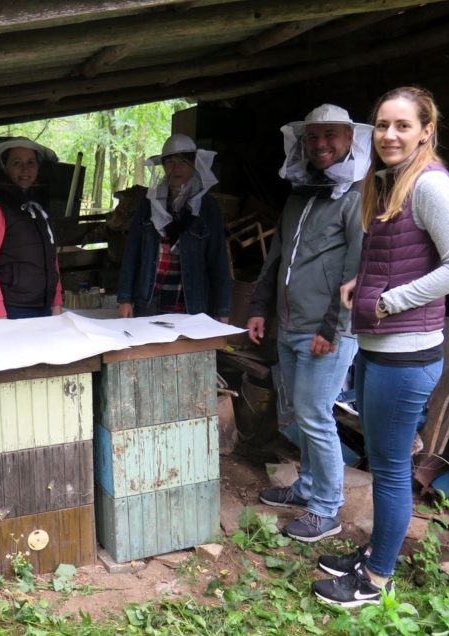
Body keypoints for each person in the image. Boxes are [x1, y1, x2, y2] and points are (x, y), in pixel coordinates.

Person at [313, 87, 449, 606]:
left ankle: (375, 578)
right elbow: (398, 256)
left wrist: (386, 302)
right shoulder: (389, 183)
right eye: (382, 125)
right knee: (386, 465)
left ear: (426, 130)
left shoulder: (429, 185)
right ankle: (374, 557)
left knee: (388, 471)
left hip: (406, 356)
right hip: (385, 351)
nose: (390, 134)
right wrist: (359, 287)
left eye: (402, 125)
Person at [248, 104, 371, 541]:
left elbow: (357, 273)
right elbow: (278, 257)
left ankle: (326, 508)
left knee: (316, 415)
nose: (320, 144)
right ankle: (306, 488)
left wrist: (330, 330)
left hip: (326, 332)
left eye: (331, 136)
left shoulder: (356, 198)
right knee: (301, 413)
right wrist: (261, 306)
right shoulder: (300, 195)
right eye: (313, 137)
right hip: (291, 324)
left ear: (350, 140)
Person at [116, 133, 230, 321]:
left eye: (183, 162)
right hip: (149, 301)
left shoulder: (208, 208)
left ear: (194, 165)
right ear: (163, 166)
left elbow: (218, 262)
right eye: (170, 163)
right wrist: (125, 299)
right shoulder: (148, 205)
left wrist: (222, 311)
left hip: (190, 305)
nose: (176, 169)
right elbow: (131, 253)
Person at [0, 137, 63, 320]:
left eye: (31, 162)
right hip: (9, 312)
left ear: (38, 167)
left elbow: (51, 258)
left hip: (43, 309)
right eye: (17, 163)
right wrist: (0, 317)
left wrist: (56, 303)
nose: (25, 169)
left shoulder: (38, 209)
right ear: (4, 167)